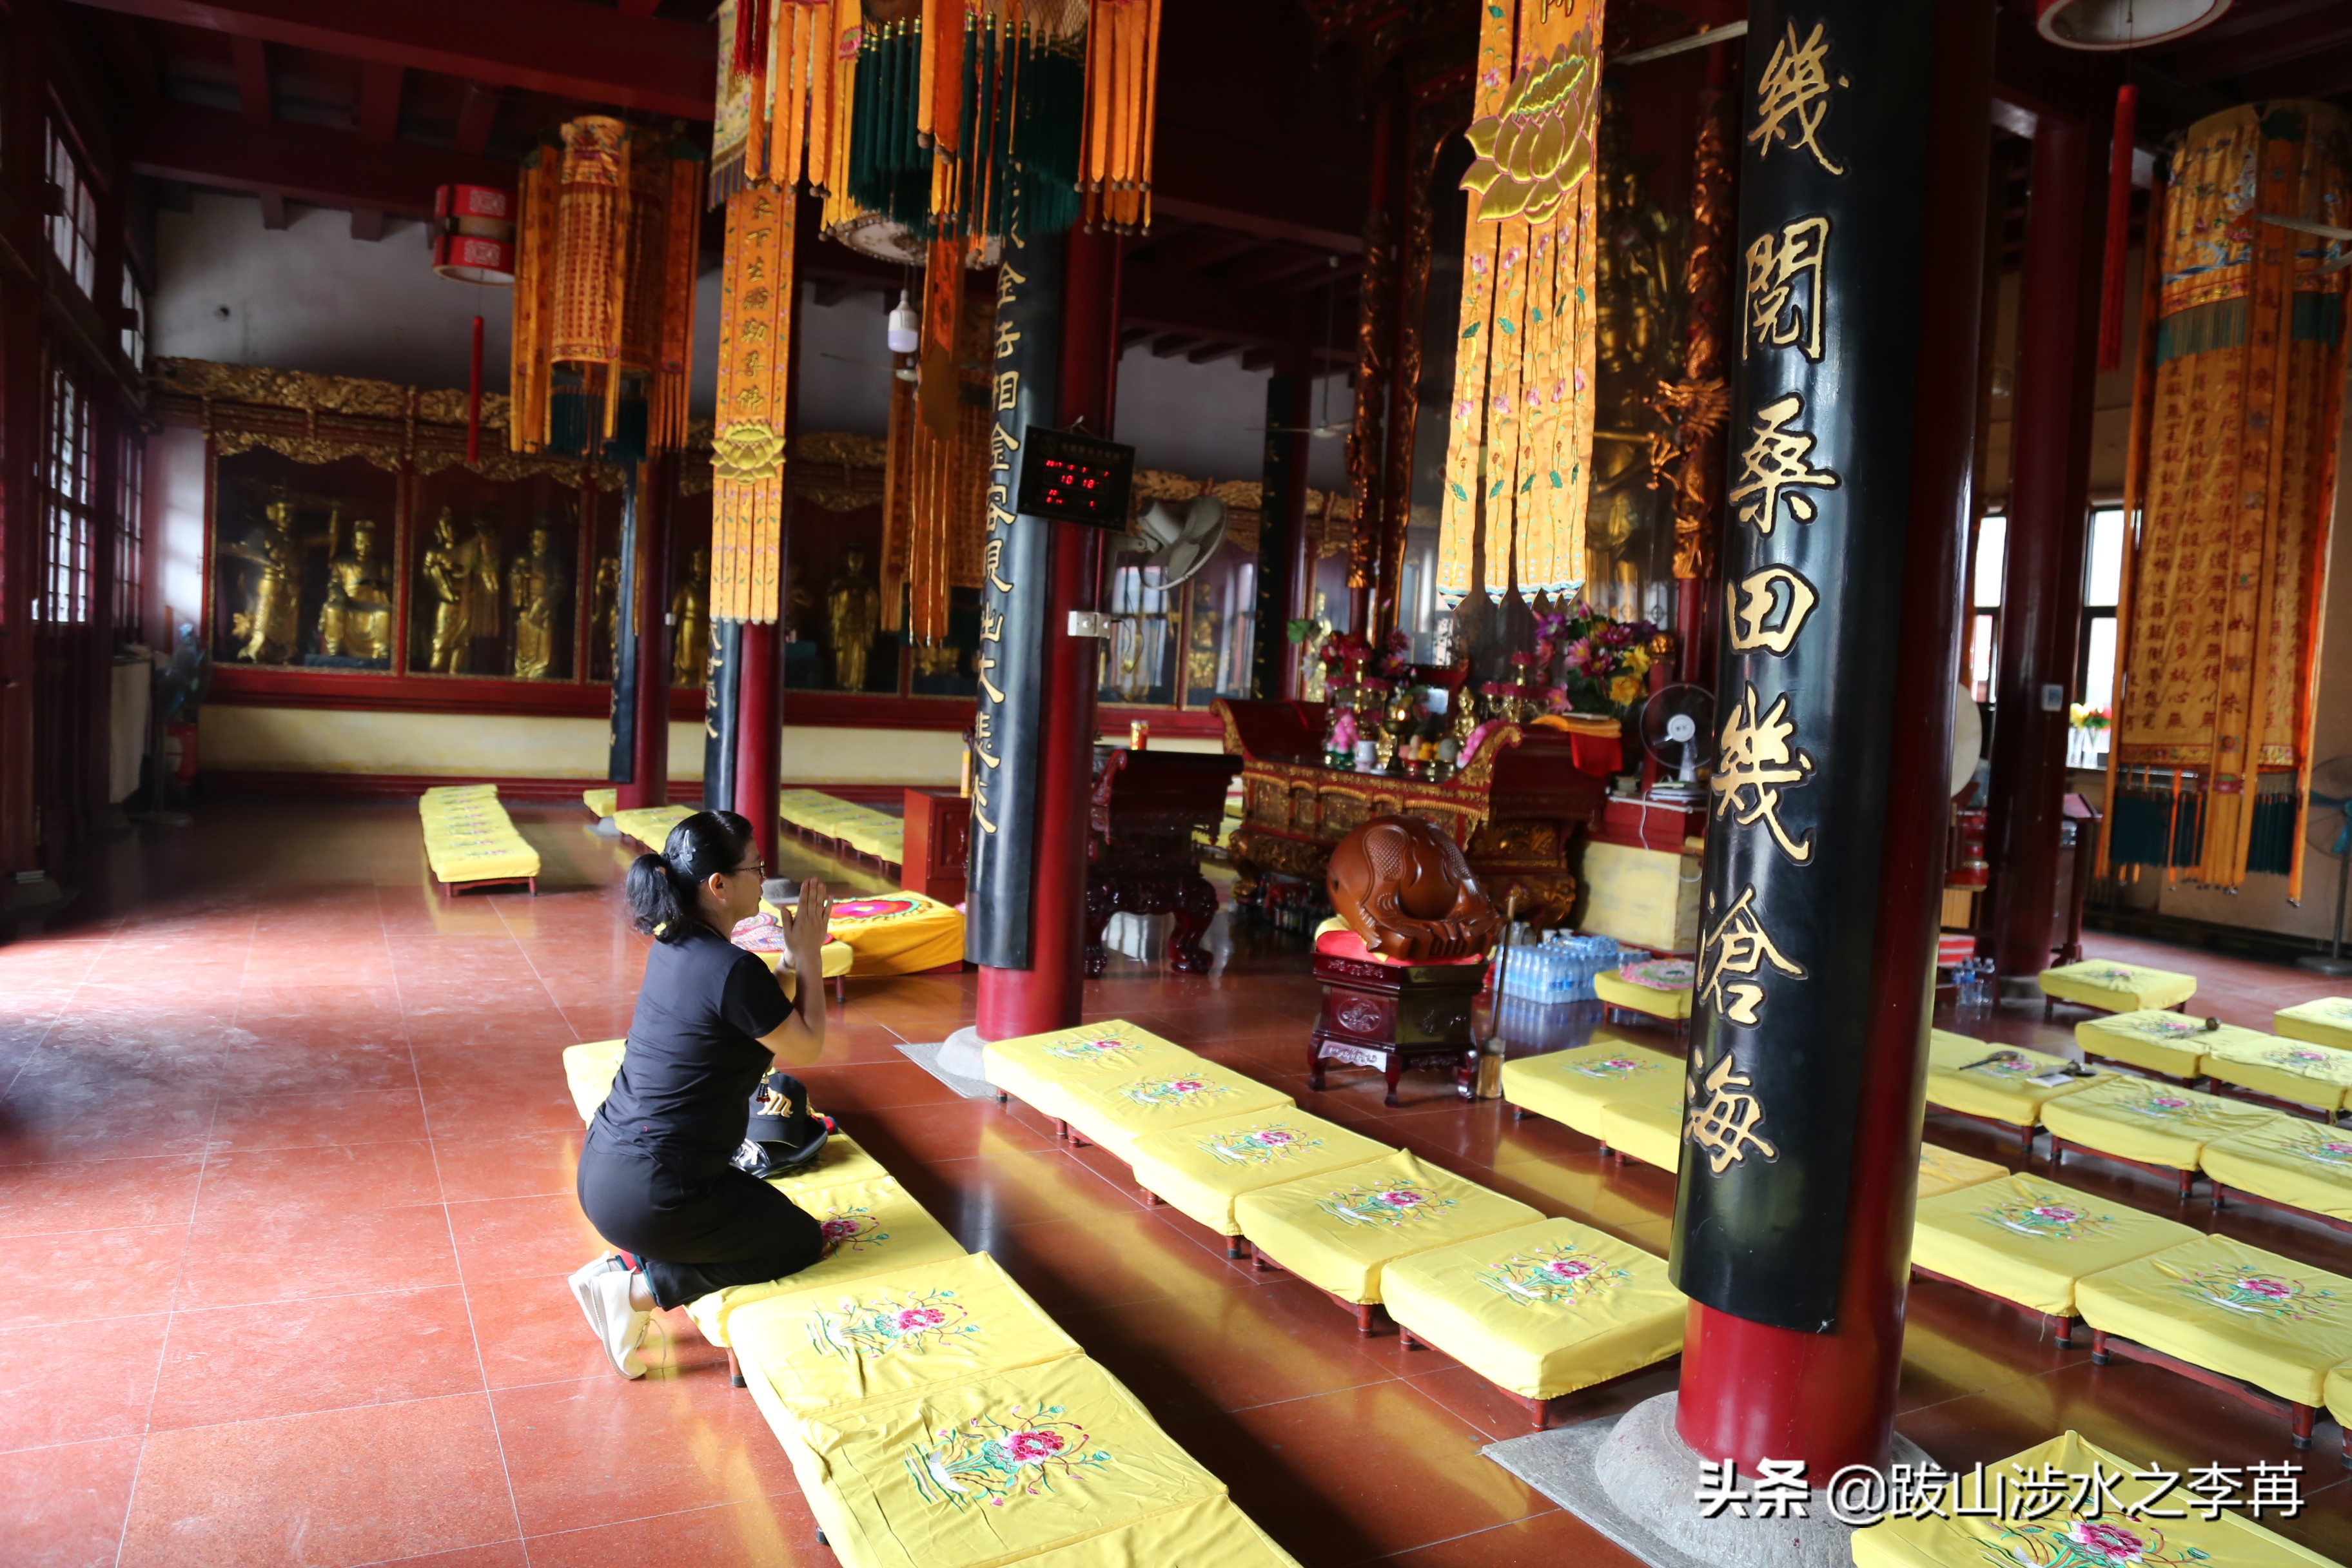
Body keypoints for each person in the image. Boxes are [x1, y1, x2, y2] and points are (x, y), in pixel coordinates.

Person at [570, 810, 833, 1378]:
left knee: (762, 1213)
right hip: (654, 1194)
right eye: (757, 868)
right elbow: (807, 1046)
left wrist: (790, 959)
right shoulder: (731, 968)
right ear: (719, 885)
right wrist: (810, 953)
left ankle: (617, 1269)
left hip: (607, 1171)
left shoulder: (679, 945)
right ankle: (634, 1292)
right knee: (797, 1241)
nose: (765, 879)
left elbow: (759, 1003)